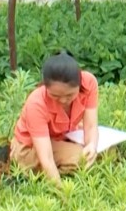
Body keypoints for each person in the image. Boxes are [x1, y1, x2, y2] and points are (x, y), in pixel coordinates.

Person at [11, 52, 98, 185]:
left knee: (103, 151)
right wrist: (60, 190)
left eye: (70, 95)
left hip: (62, 136)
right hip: (30, 147)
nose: (63, 100)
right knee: (79, 158)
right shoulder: (36, 103)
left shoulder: (89, 83)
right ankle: (34, 169)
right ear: (45, 87)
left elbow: (91, 126)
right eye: (55, 96)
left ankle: (61, 162)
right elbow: (46, 157)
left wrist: (92, 145)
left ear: (80, 84)